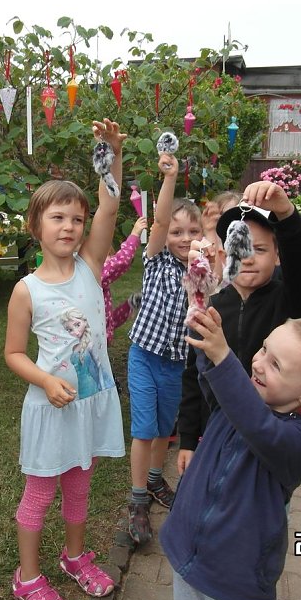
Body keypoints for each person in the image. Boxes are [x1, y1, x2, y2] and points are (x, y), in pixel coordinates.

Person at [4, 119, 126, 600]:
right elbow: (13, 354)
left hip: (92, 404)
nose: (70, 227)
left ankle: (74, 556)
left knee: (80, 486)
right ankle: (27, 578)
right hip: (51, 409)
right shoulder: (26, 290)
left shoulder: (90, 264)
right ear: (37, 226)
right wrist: (46, 380)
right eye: (57, 218)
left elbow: (111, 205)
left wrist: (111, 153)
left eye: (76, 218)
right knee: (40, 494)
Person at [162, 311, 301, 600]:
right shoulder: (237, 400)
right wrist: (201, 312)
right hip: (186, 551)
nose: (258, 363)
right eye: (265, 348)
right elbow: (210, 372)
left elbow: (259, 427)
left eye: (276, 365)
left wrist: (224, 356)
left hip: (235, 579)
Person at [177, 181, 301, 476]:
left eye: (260, 249)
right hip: (215, 429)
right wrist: (188, 440)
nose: (248, 257)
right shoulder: (211, 306)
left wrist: (286, 212)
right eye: (238, 248)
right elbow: (194, 374)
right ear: (222, 254)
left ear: (277, 256)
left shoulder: (288, 300)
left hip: (268, 432)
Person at [126, 152, 202, 544]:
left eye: (192, 231)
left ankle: (155, 481)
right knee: (143, 431)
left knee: (162, 431)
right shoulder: (155, 259)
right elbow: (158, 221)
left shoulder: (200, 270)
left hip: (176, 364)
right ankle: (138, 501)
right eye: (177, 232)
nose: (184, 238)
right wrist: (170, 177)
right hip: (144, 356)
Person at [101, 215, 147, 346]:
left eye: (111, 255)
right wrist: (134, 234)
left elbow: (110, 322)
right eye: (106, 256)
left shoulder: (102, 288)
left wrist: (128, 306)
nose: (110, 259)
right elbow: (121, 262)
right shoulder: (92, 277)